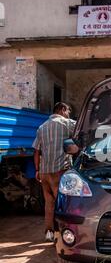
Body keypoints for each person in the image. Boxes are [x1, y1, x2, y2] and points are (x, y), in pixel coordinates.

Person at [33, 102, 76, 242]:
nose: (68, 113)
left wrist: (37, 170)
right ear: (63, 109)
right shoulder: (67, 123)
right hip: (60, 171)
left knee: (49, 202)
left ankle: (49, 233)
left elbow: (36, 151)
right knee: (63, 203)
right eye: (68, 110)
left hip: (44, 172)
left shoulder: (42, 127)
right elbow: (82, 132)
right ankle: (63, 235)